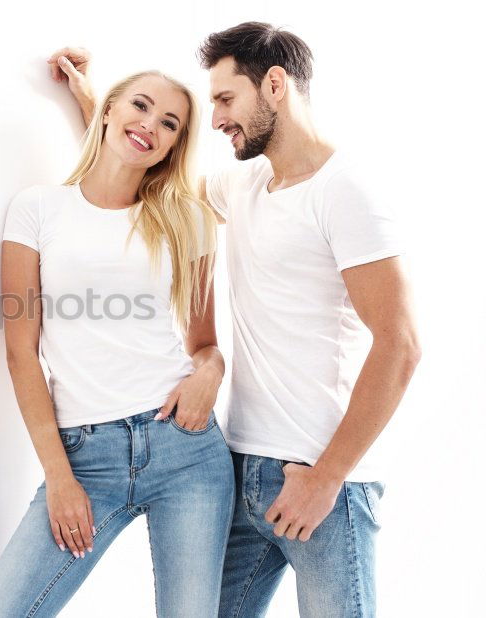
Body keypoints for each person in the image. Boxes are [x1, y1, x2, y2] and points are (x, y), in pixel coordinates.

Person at [52, 21, 421, 618]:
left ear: (274, 85)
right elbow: (148, 165)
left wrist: (327, 479)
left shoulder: (346, 192)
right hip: (240, 467)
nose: (216, 117)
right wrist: (92, 96)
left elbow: (400, 346)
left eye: (227, 99)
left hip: (320, 482)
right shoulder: (244, 183)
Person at [0, 69, 234, 617]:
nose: (150, 126)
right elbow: (22, 352)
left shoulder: (186, 218)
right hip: (85, 459)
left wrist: (211, 374)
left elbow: (205, 343)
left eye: (169, 124)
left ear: (174, 146)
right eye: (139, 106)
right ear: (109, 109)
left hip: (185, 450)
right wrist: (58, 477)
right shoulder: (38, 209)